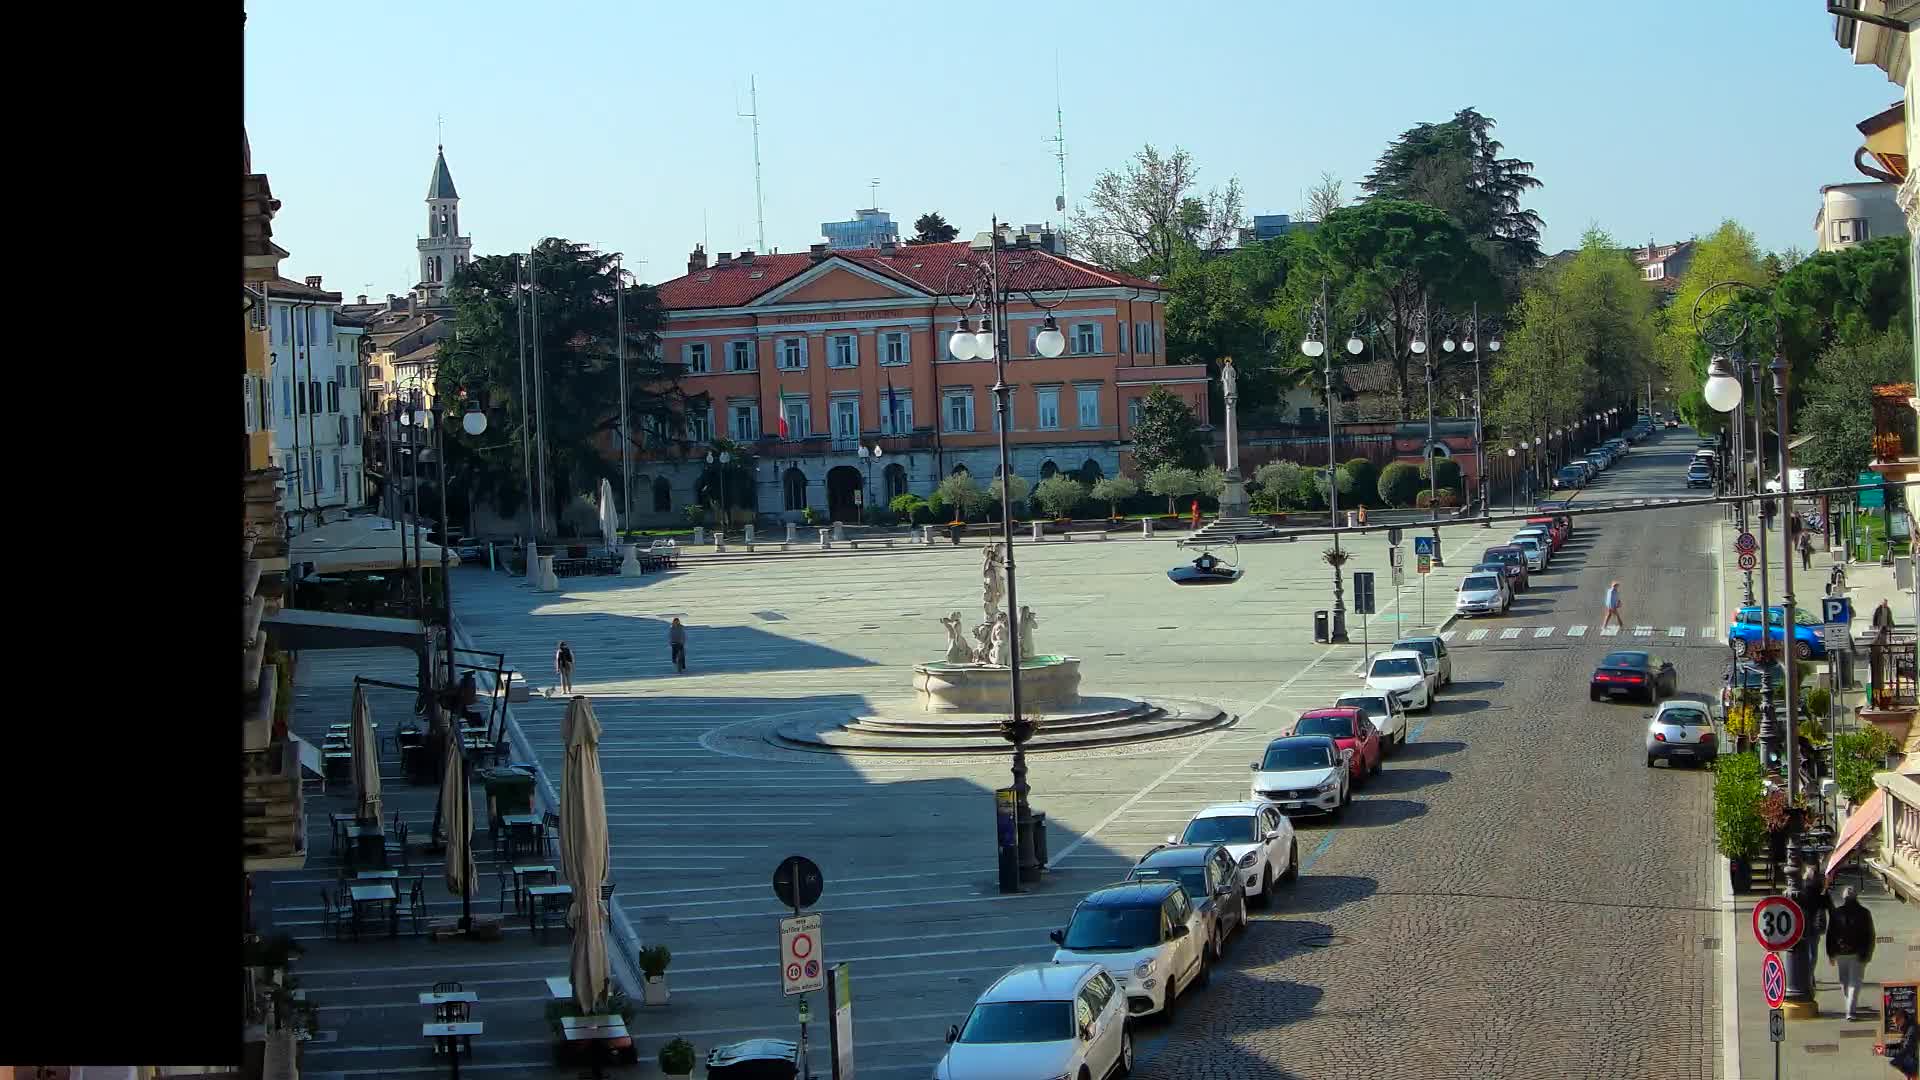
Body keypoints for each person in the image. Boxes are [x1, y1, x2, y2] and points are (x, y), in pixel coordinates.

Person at [1828, 884, 1877, 1022]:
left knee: (1844, 981)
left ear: (1843, 898)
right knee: (1854, 983)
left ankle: (1850, 1004)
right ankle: (1851, 1010)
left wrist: (1830, 953)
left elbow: (1830, 935)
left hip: (1840, 952)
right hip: (1858, 952)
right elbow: (1870, 935)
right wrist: (1868, 953)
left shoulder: (1837, 913)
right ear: (1856, 897)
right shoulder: (1864, 912)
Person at [1876, 1007, 1918, 1078]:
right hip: (1912, 1057)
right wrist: (1887, 1046)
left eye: (1897, 1021)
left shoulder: (1911, 1030)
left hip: (1914, 1061)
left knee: (1895, 1062)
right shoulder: (1908, 1027)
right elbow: (1902, 1045)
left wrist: (1885, 1052)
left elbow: (1905, 1050)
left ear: (1902, 1019)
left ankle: (1911, 1074)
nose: (1896, 1025)